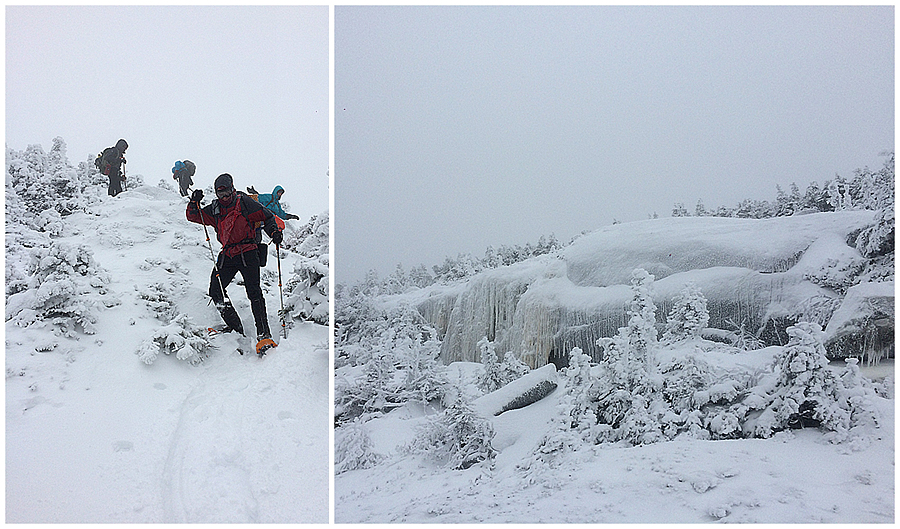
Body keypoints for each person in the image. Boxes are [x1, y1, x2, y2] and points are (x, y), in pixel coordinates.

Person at [186, 173, 284, 345]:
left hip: (248, 251)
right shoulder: (215, 209)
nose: (224, 197)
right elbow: (193, 216)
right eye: (220, 194)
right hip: (228, 254)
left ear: (232, 189)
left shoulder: (245, 202)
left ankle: (264, 335)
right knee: (216, 289)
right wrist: (194, 202)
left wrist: (274, 231)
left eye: (227, 193)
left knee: (254, 293)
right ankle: (235, 327)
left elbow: (267, 216)